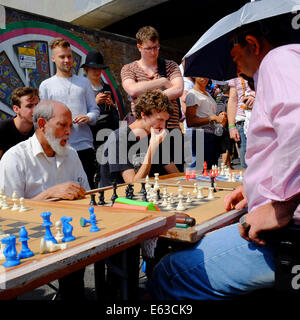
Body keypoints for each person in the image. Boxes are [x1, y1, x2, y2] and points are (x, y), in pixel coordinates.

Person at [147, 15, 300, 299]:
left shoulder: (278, 59)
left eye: (236, 55)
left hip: (288, 235)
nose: (236, 66)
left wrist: (281, 205)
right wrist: (254, 187)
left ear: (252, 44)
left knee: (168, 272)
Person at [0, 100, 89, 300]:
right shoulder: (14, 159)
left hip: (70, 236)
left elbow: (87, 194)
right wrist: (49, 194)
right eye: (62, 125)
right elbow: (6, 213)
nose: (69, 131)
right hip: (26, 241)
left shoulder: (72, 154)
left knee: (76, 281)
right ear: (42, 124)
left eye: (70, 126)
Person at [39, 37, 100, 189]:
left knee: (88, 189)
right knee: (63, 189)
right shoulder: (46, 85)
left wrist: (88, 117)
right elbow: (43, 118)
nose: (66, 60)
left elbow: (95, 110)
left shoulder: (84, 82)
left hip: (84, 145)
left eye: (69, 56)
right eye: (62, 57)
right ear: (53, 58)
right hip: (59, 146)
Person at [99, 89, 180, 188]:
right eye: (159, 119)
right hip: (118, 199)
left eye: (165, 121)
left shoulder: (153, 134)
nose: (163, 126)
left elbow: (176, 175)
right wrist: (152, 148)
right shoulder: (118, 139)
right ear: (144, 114)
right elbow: (133, 184)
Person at [81, 50, 120, 150]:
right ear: (86, 69)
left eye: (99, 68)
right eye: (93, 68)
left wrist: (112, 105)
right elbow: (79, 113)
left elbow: (115, 114)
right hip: (91, 137)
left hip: (109, 134)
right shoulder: (81, 88)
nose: (97, 71)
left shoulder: (107, 87)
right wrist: (95, 103)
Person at [185, 77, 227, 169]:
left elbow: (210, 113)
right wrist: (211, 118)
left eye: (206, 75)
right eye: (200, 75)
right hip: (201, 136)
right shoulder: (192, 94)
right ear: (194, 76)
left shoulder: (207, 93)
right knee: (204, 170)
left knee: (212, 168)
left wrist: (220, 117)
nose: (204, 78)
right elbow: (190, 121)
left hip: (212, 135)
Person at [0, 87, 39, 159]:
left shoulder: (41, 129)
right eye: (29, 106)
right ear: (16, 109)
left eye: (37, 105)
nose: (36, 109)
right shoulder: (2, 128)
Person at [227, 75, 255, 169]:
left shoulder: (265, 66)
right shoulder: (234, 73)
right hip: (241, 122)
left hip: (261, 119)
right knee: (246, 164)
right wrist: (231, 126)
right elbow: (232, 99)